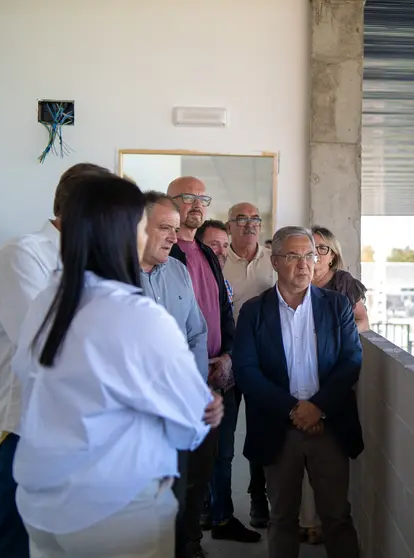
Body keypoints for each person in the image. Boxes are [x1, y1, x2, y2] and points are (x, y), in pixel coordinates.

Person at [10, 174, 223, 557]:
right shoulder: (138, 316)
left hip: (42, 501)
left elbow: (27, 378)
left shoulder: (49, 301)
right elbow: (188, 425)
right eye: (146, 226)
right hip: (116, 509)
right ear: (123, 235)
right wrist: (205, 408)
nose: (167, 237)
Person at [0, 162, 110, 558]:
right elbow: (49, 347)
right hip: (26, 435)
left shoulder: (94, 263)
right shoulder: (24, 254)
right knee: (19, 549)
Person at [234, 226, 363, 558]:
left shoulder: (336, 305)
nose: (304, 264)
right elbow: (246, 370)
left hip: (329, 426)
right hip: (279, 428)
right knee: (281, 518)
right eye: (294, 256)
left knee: (337, 517)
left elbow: (351, 360)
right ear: (276, 261)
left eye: (310, 255)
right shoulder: (254, 311)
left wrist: (317, 407)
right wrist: (294, 410)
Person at [141, 193, 248, 553]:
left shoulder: (178, 270)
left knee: (192, 485)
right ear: (137, 227)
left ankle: (189, 545)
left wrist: (194, 388)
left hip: (190, 403)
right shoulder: (112, 277)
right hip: (143, 414)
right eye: (164, 228)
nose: (173, 237)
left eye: (175, 229)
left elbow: (197, 332)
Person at [167, 177, 237, 556]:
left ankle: (192, 541)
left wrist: (227, 355)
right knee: (176, 473)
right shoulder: (165, 255)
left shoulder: (207, 253)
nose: (197, 204)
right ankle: (176, 545)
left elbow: (223, 309)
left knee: (203, 470)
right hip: (178, 381)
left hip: (213, 378)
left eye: (202, 198)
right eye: (187, 197)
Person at [194, 218, 264, 541]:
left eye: (224, 245)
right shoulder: (190, 278)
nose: (220, 251)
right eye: (214, 245)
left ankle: (221, 516)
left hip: (229, 374)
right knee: (199, 452)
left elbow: (229, 327)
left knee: (224, 451)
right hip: (196, 378)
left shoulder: (223, 283)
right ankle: (201, 515)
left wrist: (228, 357)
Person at [303, 225, 369, 544]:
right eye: (310, 248)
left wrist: (341, 341)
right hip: (301, 379)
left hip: (334, 377)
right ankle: (307, 521)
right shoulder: (295, 280)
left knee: (329, 453)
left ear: (333, 256)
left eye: (323, 249)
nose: (316, 255)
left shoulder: (343, 284)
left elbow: (362, 321)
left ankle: (326, 522)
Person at [222, 202, 275, 528]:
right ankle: (219, 506)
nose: (249, 224)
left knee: (259, 433)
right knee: (222, 435)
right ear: (229, 226)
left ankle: (258, 497)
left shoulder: (274, 261)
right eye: (241, 219)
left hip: (262, 360)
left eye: (255, 219)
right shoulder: (216, 261)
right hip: (227, 358)